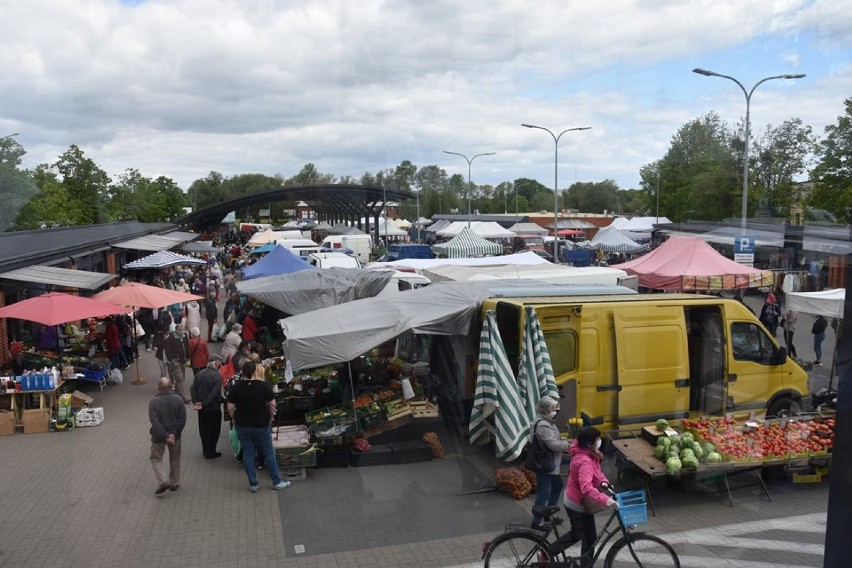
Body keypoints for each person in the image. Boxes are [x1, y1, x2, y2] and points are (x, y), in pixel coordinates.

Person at [549, 426, 618, 567]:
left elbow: (597, 473)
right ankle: (549, 553)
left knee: (580, 534)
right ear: (589, 443)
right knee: (589, 539)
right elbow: (586, 488)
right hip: (578, 504)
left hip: (574, 500)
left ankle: (547, 552)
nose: (599, 442)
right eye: (597, 440)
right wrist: (606, 500)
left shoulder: (587, 453)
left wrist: (604, 482)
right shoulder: (584, 460)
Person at [226, 360, 291, 492]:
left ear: (243, 372)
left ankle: (253, 484)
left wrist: (234, 418)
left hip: (243, 425)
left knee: (248, 454)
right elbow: (272, 404)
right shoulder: (263, 386)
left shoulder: (236, 387)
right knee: (269, 453)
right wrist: (270, 417)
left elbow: (230, 406)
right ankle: (276, 482)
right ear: (255, 371)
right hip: (261, 424)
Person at [529, 397, 570, 530]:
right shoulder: (543, 425)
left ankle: (549, 513)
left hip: (552, 464)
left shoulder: (548, 422)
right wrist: (569, 445)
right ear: (545, 409)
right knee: (543, 493)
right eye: (553, 409)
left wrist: (568, 440)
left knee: (557, 485)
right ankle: (537, 521)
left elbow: (555, 438)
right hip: (546, 465)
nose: (555, 411)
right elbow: (554, 445)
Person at [148, 377, 187, 495]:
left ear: (158, 388)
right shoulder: (179, 399)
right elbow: (182, 419)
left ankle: (163, 481)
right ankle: (174, 482)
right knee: (175, 459)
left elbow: (154, 422)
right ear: (172, 386)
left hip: (158, 436)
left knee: (156, 458)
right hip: (175, 435)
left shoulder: (153, 402)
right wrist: (174, 434)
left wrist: (165, 436)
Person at [191, 354, 224, 459]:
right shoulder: (217, 377)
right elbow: (214, 394)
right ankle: (211, 451)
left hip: (202, 409)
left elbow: (193, 389)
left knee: (204, 430)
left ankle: (205, 449)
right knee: (214, 431)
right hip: (213, 408)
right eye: (220, 364)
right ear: (217, 363)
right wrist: (204, 403)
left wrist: (197, 402)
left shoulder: (199, 374)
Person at [164, 323, 191, 403]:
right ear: (176, 330)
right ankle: (181, 397)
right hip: (176, 361)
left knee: (182, 378)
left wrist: (188, 358)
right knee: (179, 378)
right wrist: (172, 360)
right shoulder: (171, 338)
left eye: (183, 329)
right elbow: (167, 350)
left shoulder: (185, 336)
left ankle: (176, 395)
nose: (183, 331)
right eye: (181, 330)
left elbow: (187, 347)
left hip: (183, 361)